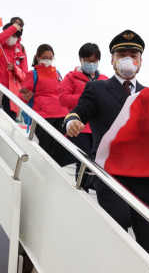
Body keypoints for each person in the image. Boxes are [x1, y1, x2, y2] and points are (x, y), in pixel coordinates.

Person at [64, 30, 149, 260]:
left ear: (140, 61)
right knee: (116, 232)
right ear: (112, 59)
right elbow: (79, 111)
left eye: (134, 55)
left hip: (145, 178)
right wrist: (72, 121)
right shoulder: (98, 88)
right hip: (111, 175)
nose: (128, 60)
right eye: (122, 54)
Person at [58, 43, 109, 188]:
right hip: (78, 126)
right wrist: (87, 98)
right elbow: (62, 99)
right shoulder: (71, 77)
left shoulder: (105, 79)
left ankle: (89, 187)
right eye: (87, 60)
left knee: (96, 161)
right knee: (85, 159)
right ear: (80, 59)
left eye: (93, 60)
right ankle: (81, 189)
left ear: (99, 60)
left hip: (99, 128)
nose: (90, 63)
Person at [20, 44, 69, 166]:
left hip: (61, 112)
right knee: (44, 144)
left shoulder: (57, 72)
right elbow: (22, 94)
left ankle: (55, 166)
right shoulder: (33, 74)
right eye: (45, 57)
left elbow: (61, 90)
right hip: (43, 114)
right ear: (38, 57)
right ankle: (44, 168)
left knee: (64, 142)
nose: (48, 60)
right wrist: (25, 96)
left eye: (51, 58)